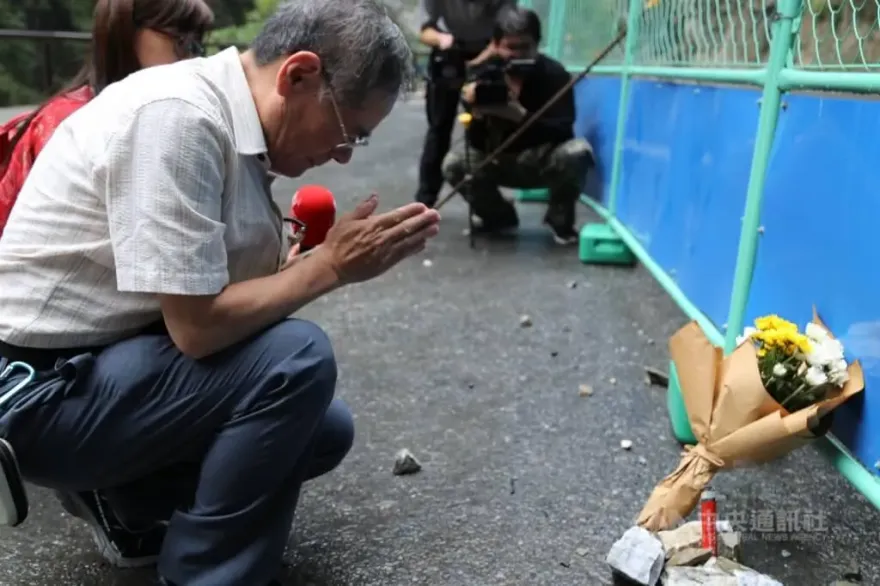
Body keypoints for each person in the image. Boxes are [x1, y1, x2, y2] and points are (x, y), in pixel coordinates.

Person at [0, 0, 440, 585]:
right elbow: (199, 328)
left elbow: (194, 291)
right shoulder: (178, 118)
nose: (340, 155)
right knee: (297, 359)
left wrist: (293, 266)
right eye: (348, 132)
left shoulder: (227, 121)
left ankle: (128, 501)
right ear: (299, 74)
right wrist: (330, 266)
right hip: (38, 393)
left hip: (99, 366)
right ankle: (206, 574)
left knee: (322, 428)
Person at [0, 0, 214, 239]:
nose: (190, 59)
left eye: (197, 46)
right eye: (181, 41)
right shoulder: (69, 121)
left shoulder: (153, 115)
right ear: (127, 31)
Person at [442, 7, 593, 245]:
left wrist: (519, 116)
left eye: (525, 47)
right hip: (498, 159)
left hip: (541, 161)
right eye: (510, 48)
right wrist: (476, 114)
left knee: (577, 153)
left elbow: (564, 129)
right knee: (455, 163)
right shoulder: (484, 77)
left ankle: (559, 220)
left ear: (537, 44)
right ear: (496, 45)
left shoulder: (555, 75)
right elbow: (475, 143)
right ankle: (498, 218)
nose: (518, 54)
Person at [414, 0, 516, 208]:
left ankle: (489, 203)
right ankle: (425, 201)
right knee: (439, 129)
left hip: (489, 49)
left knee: (486, 125)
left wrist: (478, 61)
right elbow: (423, 30)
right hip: (449, 49)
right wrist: (441, 39)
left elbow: (507, 30)